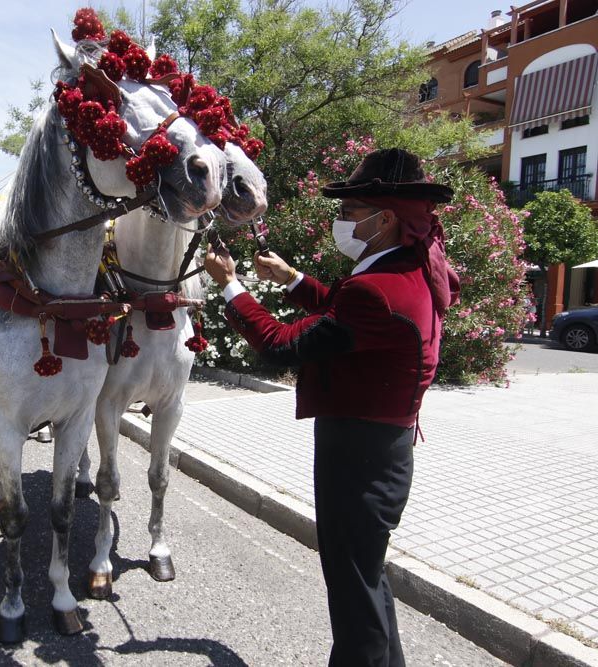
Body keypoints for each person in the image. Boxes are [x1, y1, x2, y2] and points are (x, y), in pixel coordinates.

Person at [203, 148, 459, 667]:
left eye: (349, 213)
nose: (340, 222)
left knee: (352, 593)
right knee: (367, 577)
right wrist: (292, 279)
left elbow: (280, 343)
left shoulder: (377, 288)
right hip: (381, 450)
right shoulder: (407, 265)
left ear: (385, 219)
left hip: (358, 459)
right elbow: (346, 316)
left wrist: (230, 287)